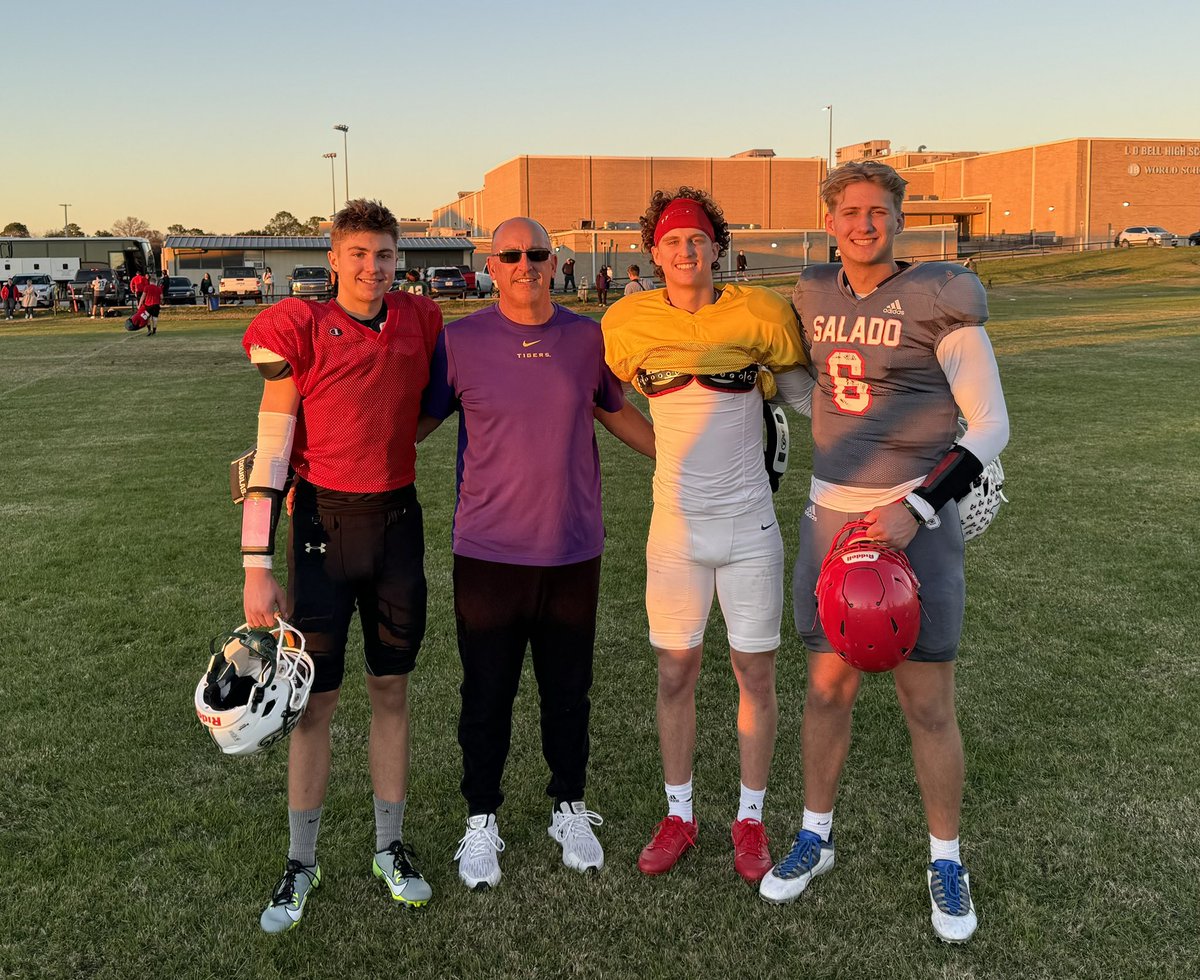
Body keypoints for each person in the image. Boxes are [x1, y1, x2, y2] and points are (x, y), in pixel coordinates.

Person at [758, 161, 1009, 945]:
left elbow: (990, 425)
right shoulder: (813, 293)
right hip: (831, 516)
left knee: (926, 703)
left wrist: (918, 507)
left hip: (911, 520)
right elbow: (817, 389)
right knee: (827, 691)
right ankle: (815, 835)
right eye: (851, 212)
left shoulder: (941, 294)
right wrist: (788, 386)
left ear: (898, 218)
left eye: (878, 211)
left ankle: (945, 858)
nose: (864, 223)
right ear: (829, 220)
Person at [420, 217, 654, 891]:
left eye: (538, 253)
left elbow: (616, 413)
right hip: (489, 552)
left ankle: (568, 805)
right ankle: (481, 818)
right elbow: (412, 426)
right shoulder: (459, 343)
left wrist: (690, 462)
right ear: (492, 265)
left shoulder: (587, 339)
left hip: (572, 547)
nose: (526, 263)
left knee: (568, 691)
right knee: (486, 694)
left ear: (555, 263)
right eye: (512, 254)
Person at [238, 199, 443, 933]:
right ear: (333, 258)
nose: (373, 267)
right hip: (321, 527)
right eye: (359, 253)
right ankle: (301, 860)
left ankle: (390, 847)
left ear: (398, 260)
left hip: (396, 523)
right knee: (314, 704)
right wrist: (256, 563)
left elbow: (424, 407)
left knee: (391, 691)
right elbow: (268, 454)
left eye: (385, 254)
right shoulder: (301, 326)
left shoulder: (420, 320)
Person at [601, 188, 808, 885]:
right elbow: (603, 399)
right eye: (671, 240)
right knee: (674, 673)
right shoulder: (626, 321)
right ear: (653, 252)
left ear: (717, 246)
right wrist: (660, 451)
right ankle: (680, 813)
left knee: (756, 673)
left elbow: (807, 394)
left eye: (697, 238)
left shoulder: (762, 313)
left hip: (750, 528)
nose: (685, 251)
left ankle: (750, 816)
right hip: (674, 532)